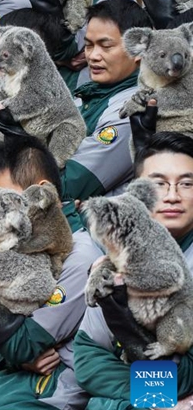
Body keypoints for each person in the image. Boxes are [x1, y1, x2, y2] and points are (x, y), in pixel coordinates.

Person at [0, 135, 100, 410]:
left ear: (39, 195)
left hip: (40, 398)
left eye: (4, 200)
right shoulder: (3, 246)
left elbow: (23, 344)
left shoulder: (81, 254)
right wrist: (13, 355)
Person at [74, 132, 193, 409]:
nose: (172, 196)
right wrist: (150, 399)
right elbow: (88, 361)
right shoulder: (113, 257)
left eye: (186, 184)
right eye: (158, 184)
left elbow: (186, 377)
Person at [62, 0, 150, 203]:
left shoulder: (133, 108)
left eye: (106, 46)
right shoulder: (88, 95)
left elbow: (69, 187)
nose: (93, 56)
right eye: (89, 46)